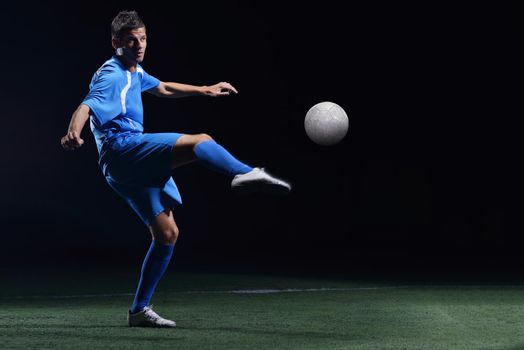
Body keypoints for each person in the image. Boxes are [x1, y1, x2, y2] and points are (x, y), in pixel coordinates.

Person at [60, 10, 291, 328]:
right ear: (116, 43)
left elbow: (163, 88)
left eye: (143, 38)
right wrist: (74, 131)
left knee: (167, 234)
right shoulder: (111, 74)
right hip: (124, 151)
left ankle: (139, 311)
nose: (139, 45)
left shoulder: (134, 70)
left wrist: (204, 89)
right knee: (200, 142)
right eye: (131, 40)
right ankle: (244, 172)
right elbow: (85, 105)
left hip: (121, 169)